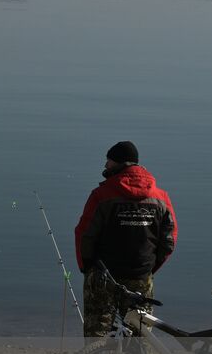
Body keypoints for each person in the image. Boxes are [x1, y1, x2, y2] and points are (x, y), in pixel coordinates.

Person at [73, 141, 177, 338]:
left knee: (98, 332)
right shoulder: (161, 198)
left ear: (119, 163)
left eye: (109, 161)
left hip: (103, 276)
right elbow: (169, 240)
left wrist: (87, 267)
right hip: (141, 276)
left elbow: (84, 234)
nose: (105, 166)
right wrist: (149, 268)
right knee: (141, 334)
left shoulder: (101, 196)